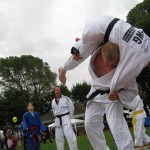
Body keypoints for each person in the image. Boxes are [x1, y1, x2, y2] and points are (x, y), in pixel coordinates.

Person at [59, 41, 140, 150]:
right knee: (89, 124)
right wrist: (75, 49)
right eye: (108, 62)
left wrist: (119, 96)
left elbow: (133, 91)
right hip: (96, 92)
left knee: (117, 127)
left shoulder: (126, 67)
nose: (110, 66)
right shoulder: (96, 45)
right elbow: (84, 42)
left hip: (113, 94)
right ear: (102, 54)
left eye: (114, 64)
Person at [51, 85, 78, 150]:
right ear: (54, 92)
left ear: (61, 91)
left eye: (59, 90)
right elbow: (54, 111)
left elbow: (71, 108)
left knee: (70, 136)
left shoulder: (66, 98)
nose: (58, 91)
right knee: (58, 139)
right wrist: (56, 118)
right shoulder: (53, 101)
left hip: (66, 118)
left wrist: (70, 118)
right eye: (56, 90)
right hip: (57, 121)